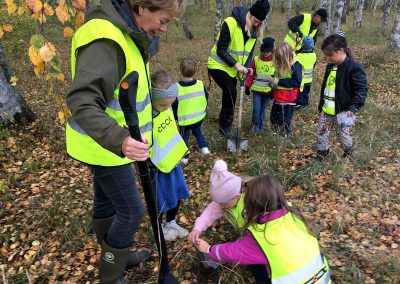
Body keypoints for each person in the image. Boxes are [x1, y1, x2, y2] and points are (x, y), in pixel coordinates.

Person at [65, 0, 183, 282]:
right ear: (141, 7)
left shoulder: (126, 31)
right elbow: (82, 101)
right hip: (105, 146)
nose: (164, 28)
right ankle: (110, 273)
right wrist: (120, 139)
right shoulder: (105, 38)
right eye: (163, 20)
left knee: (107, 204)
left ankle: (115, 254)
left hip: (107, 146)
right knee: (132, 210)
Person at [194, 172, 331, 284]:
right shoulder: (293, 214)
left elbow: (235, 251)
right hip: (321, 276)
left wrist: (209, 249)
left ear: (253, 205)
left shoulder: (261, 236)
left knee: (256, 264)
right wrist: (198, 227)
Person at [208, 0, 270, 137]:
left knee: (228, 95)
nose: (257, 24)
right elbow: (221, 50)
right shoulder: (230, 23)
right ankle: (227, 127)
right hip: (217, 64)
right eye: (255, 20)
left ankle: (223, 124)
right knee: (231, 91)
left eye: (260, 22)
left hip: (234, 69)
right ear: (249, 15)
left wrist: (247, 68)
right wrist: (237, 65)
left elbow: (248, 54)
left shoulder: (254, 32)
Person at [149, 70, 191, 242]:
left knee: (178, 192)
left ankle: (171, 222)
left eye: (170, 104)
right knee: (160, 198)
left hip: (173, 160)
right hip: (156, 166)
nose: (167, 108)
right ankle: (158, 228)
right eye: (163, 106)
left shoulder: (166, 104)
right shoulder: (145, 116)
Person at [316, 34, 368, 162]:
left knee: (342, 136)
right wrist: (322, 104)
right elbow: (327, 86)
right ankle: (322, 154)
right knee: (321, 134)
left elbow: (361, 89)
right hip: (327, 110)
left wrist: (354, 106)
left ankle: (350, 151)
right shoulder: (330, 66)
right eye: (326, 56)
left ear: (341, 51)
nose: (328, 59)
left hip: (344, 110)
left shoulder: (354, 68)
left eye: (330, 55)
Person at [173, 58, 209, 165]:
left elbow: (174, 105)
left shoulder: (177, 87)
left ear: (181, 70)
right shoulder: (200, 84)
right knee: (197, 132)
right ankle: (204, 148)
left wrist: (175, 117)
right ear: (195, 71)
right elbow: (206, 97)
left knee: (184, 137)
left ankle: (184, 158)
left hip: (184, 121)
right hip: (198, 118)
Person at [268, 42, 302, 137]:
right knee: (273, 117)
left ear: (286, 56)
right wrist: (271, 81)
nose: (279, 60)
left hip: (289, 98)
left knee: (285, 118)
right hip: (278, 96)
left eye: (280, 57)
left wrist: (279, 82)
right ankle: (274, 133)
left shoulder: (295, 64)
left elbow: (296, 81)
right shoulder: (280, 62)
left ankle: (285, 135)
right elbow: (277, 75)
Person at [245, 37, 276, 133]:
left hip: (267, 93)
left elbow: (276, 78)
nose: (266, 54)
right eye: (264, 51)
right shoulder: (256, 60)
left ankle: (261, 128)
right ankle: (255, 128)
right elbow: (251, 74)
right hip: (256, 92)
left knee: (263, 111)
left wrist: (273, 92)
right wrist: (247, 85)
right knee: (256, 110)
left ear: (272, 51)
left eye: (268, 52)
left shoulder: (275, 62)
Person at [295, 36, 317, 110]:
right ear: (312, 46)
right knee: (306, 92)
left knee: (300, 92)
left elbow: (296, 66)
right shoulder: (314, 56)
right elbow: (314, 64)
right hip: (309, 79)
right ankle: (305, 103)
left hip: (302, 79)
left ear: (302, 46)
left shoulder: (299, 56)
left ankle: (299, 104)